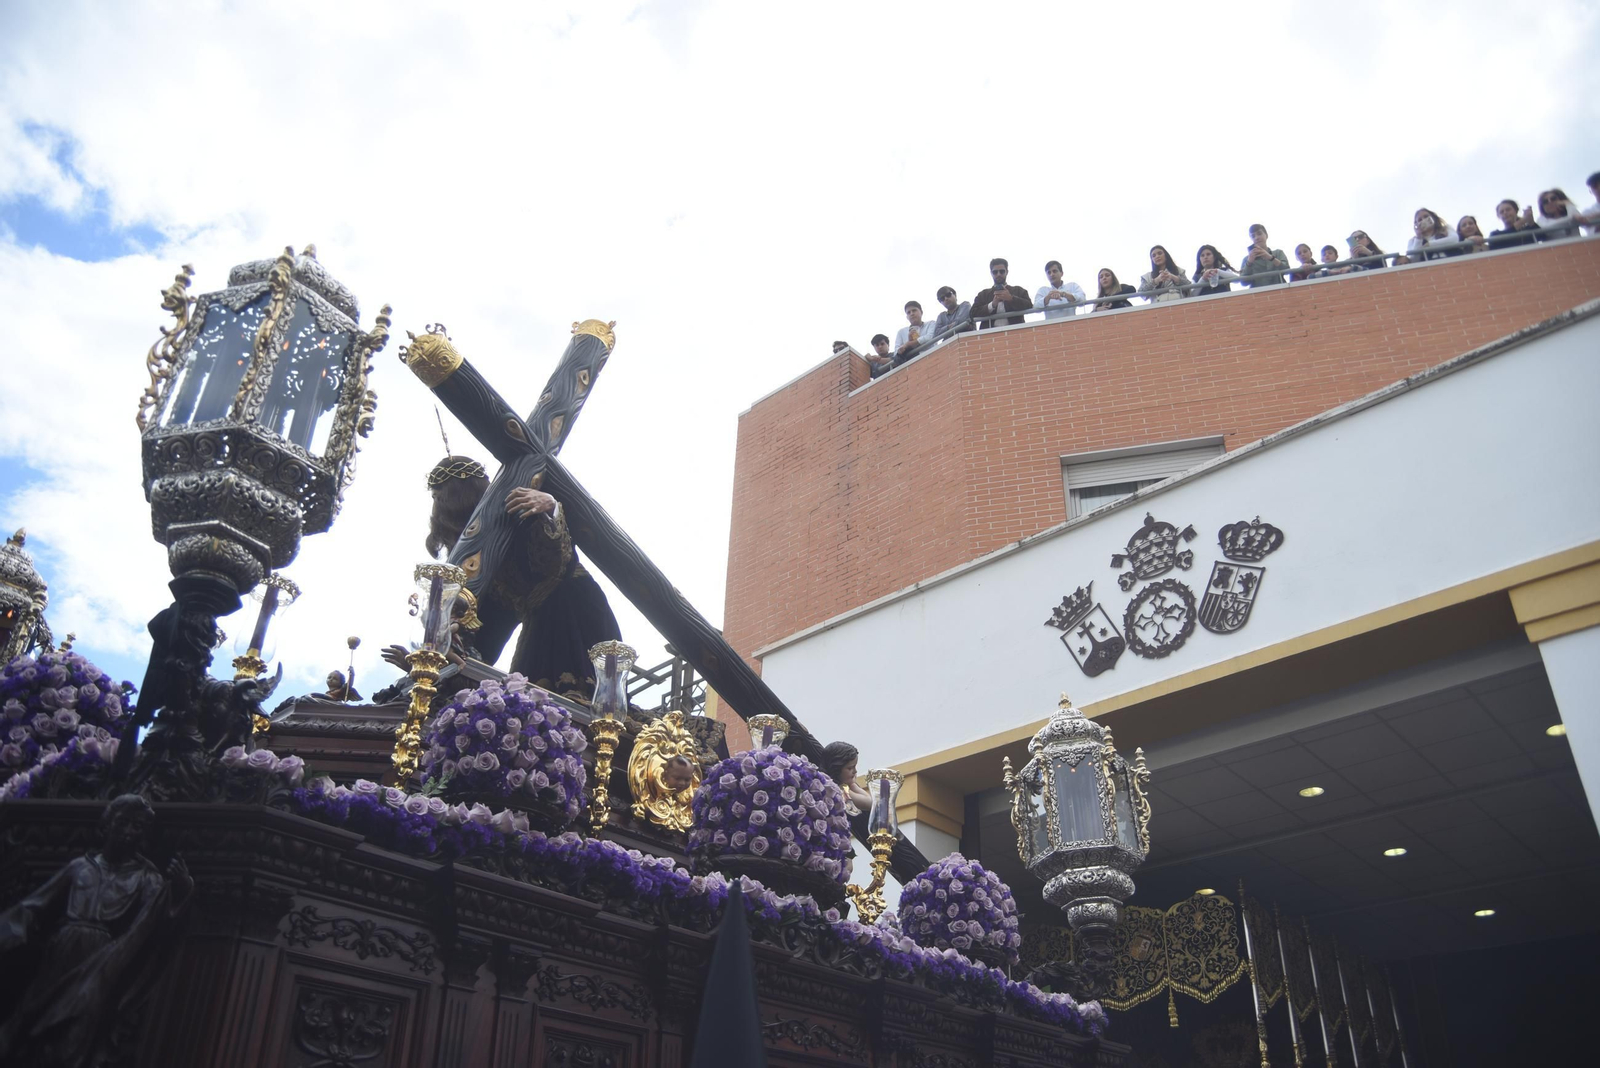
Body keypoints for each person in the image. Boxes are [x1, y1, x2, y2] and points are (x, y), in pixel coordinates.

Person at [0, 795, 192, 1065]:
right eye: (122, 822)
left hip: (105, 958)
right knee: (32, 1020)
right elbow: (34, 905)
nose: (128, 831)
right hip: (61, 951)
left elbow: (158, 922)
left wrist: (182, 888)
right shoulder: (79, 867)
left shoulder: (147, 878)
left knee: (77, 1024)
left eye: (137, 827)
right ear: (106, 825)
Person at [421, 455, 621, 699]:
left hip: (576, 612)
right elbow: (490, 626)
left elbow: (555, 560)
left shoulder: (515, 509)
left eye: (439, 497)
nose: (436, 506)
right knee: (527, 701)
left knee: (580, 698)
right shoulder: (481, 566)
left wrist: (550, 507)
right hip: (538, 626)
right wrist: (441, 654)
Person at [971, 259, 1033, 328]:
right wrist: (992, 305)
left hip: (1016, 332)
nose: (998, 274)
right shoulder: (983, 294)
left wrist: (1011, 299)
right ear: (991, 273)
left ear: (1007, 272)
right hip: (990, 333)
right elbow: (973, 313)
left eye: (1002, 271)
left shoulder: (1018, 290)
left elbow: (1029, 305)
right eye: (995, 272)